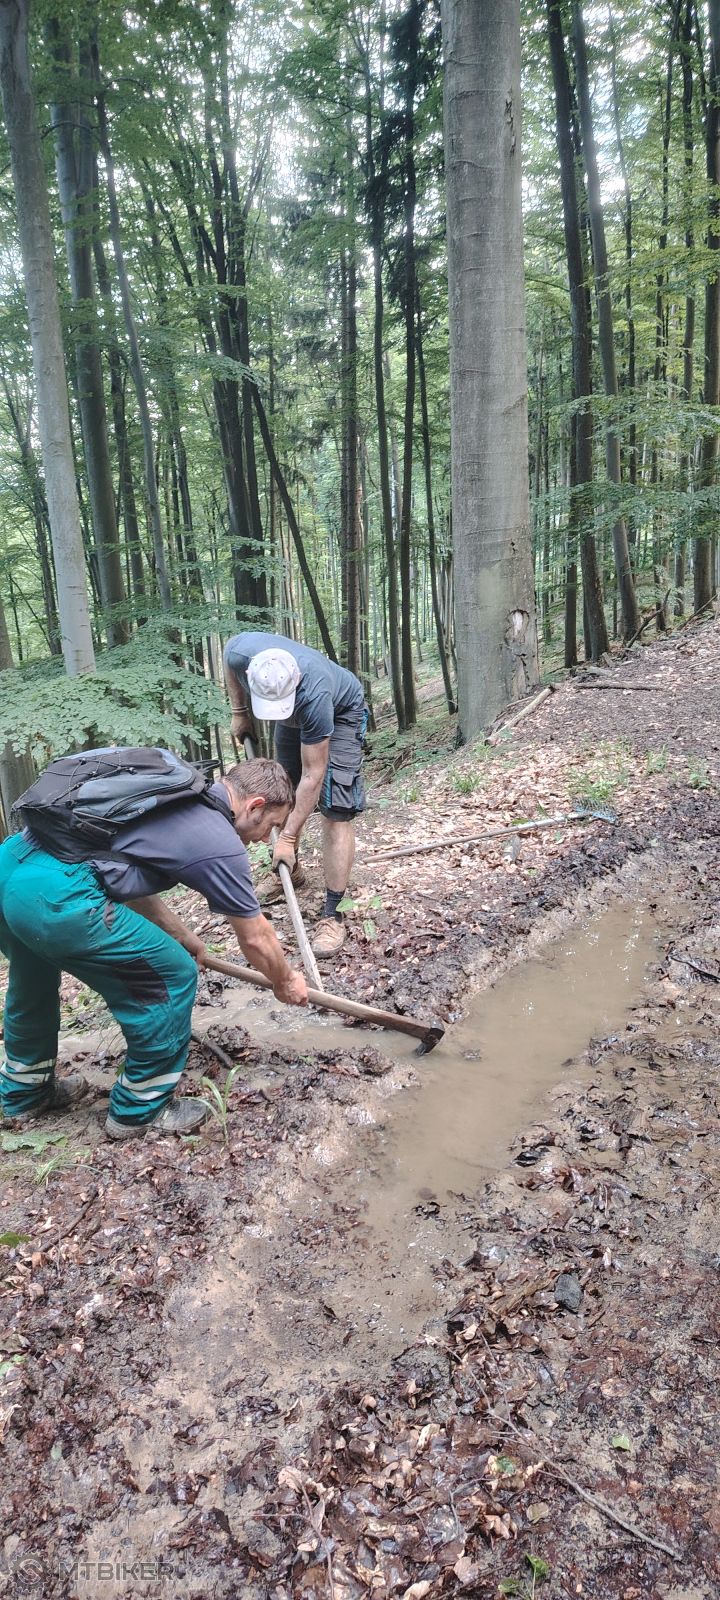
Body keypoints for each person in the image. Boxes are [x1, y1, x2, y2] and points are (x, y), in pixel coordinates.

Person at [0, 756, 307, 1140]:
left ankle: (24, 1093)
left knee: (33, 982)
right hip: (54, 894)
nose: (264, 839)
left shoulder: (171, 797)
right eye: (271, 826)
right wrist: (285, 980)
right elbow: (256, 937)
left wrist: (180, 933)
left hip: (11, 867)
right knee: (173, 975)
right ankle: (140, 1110)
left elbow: (115, 867)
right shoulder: (218, 839)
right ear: (255, 805)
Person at [223, 631, 367, 959]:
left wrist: (286, 837)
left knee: (336, 807)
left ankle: (333, 913)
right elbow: (227, 659)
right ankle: (290, 872)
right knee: (280, 791)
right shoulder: (240, 652)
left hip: (341, 713)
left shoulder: (315, 694)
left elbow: (313, 776)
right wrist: (239, 711)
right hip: (294, 710)